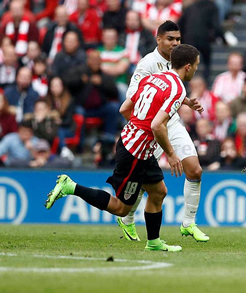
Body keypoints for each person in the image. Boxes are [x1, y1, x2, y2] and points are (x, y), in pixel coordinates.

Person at [45, 44, 201, 252]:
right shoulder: (177, 88)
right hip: (135, 153)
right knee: (120, 208)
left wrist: (138, 128)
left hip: (137, 145)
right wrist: (171, 154)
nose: (197, 70)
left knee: (159, 192)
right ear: (188, 67)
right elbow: (157, 125)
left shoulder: (155, 78)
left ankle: (153, 242)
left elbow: (124, 108)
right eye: (197, 66)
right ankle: (70, 186)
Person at [120, 21, 209, 243]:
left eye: (178, 39)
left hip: (172, 122)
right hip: (151, 126)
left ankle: (188, 223)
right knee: (144, 178)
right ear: (158, 38)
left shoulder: (179, 62)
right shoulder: (147, 64)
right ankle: (128, 217)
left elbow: (168, 92)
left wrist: (185, 101)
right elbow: (133, 98)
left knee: (195, 170)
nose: (175, 43)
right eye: (170, 39)